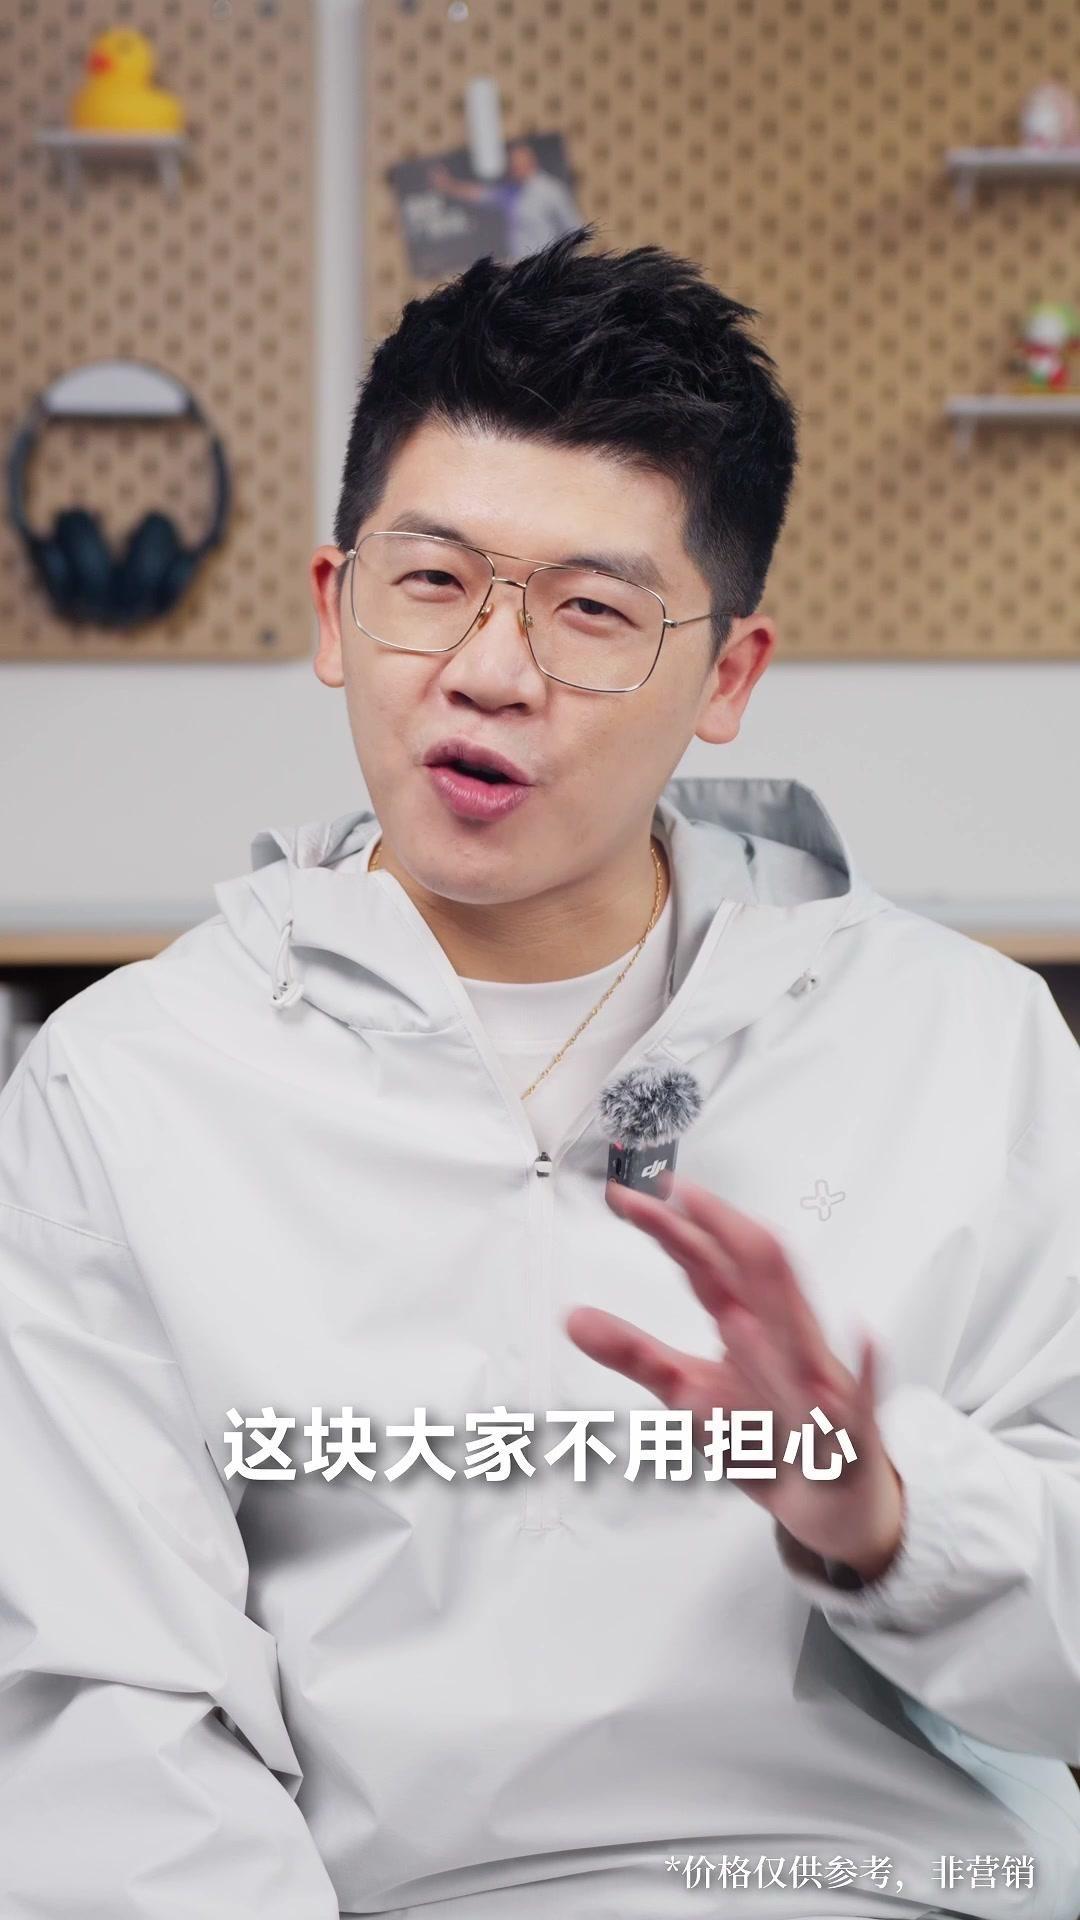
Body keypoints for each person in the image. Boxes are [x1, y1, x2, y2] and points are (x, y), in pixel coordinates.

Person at [1, 226, 1079, 1920]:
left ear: (729, 675)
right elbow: (101, 1728)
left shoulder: (964, 1048)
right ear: (334, 607)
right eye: (432, 582)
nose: (492, 673)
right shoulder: (128, 1090)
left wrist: (888, 1513)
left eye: (592, 611)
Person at [428, 139, 583, 261]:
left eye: (517, 164)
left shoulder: (551, 190)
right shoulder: (512, 192)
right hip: (523, 269)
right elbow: (480, 195)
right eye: (512, 164)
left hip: (548, 268)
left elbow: (574, 230)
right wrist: (449, 185)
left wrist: (564, 265)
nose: (513, 168)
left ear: (531, 161)